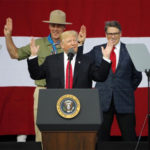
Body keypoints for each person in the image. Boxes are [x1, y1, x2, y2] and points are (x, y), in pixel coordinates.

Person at [3, 9, 86, 142]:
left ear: (64, 27)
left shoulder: (69, 44)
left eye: (59, 25)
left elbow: (80, 64)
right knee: (42, 132)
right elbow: (15, 54)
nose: (55, 28)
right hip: (43, 91)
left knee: (66, 132)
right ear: (48, 26)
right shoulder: (38, 44)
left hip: (65, 92)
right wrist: (8, 36)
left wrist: (81, 43)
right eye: (53, 25)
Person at [86, 21, 142, 142]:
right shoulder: (96, 50)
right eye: (110, 33)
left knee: (130, 137)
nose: (112, 36)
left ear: (121, 33)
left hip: (125, 100)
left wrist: (126, 89)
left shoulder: (131, 50)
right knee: (101, 139)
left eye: (116, 33)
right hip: (102, 100)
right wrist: (80, 44)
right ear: (105, 34)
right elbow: (82, 62)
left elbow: (138, 77)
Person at [27, 30, 112, 91]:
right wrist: (33, 56)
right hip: (56, 103)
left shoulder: (86, 61)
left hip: (81, 105)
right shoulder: (51, 61)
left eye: (74, 40)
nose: (73, 43)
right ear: (62, 45)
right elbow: (36, 75)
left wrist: (106, 58)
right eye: (69, 41)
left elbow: (100, 77)